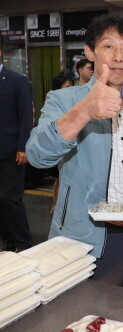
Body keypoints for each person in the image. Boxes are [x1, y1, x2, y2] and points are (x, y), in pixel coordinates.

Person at [26, 14, 123, 293]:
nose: (119, 57)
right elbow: (37, 155)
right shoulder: (64, 100)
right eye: (108, 46)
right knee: (80, 325)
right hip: (82, 237)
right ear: (90, 52)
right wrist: (85, 111)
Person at [0, 49, 33, 252]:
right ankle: (8, 240)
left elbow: (25, 116)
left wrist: (23, 147)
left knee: (10, 198)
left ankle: (23, 242)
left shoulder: (16, 80)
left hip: (12, 150)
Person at [49, 73, 74, 214]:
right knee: (59, 178)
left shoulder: (74, 100)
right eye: (67, 86)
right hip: (59, 146)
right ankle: (56, 205)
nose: (70, 88)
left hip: (71, 147)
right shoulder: (54, 102)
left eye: (71, 85)